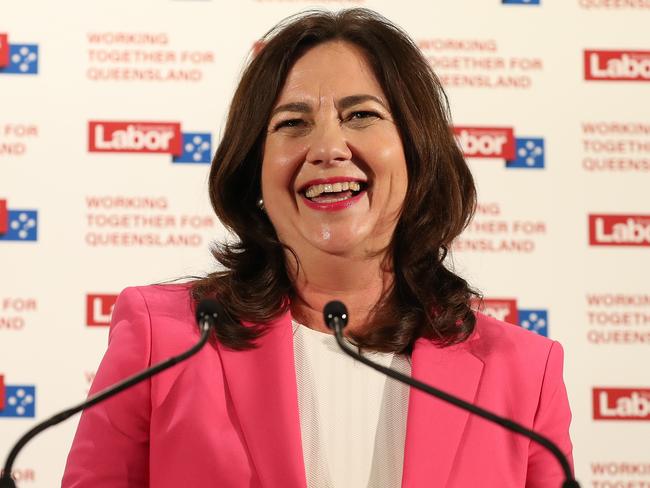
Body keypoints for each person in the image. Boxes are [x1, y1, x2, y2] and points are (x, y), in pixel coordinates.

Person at [62, 8, 573, 488]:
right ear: (255, 168)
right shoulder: (165, 341)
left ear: (417, 152)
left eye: (360, 115)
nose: (327, 148)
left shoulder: (524, 374)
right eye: (292, 123)